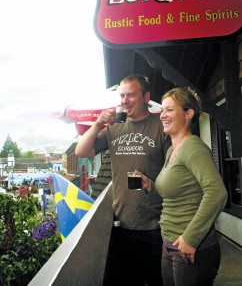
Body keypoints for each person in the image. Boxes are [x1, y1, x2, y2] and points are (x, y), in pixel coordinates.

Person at [75, 74, 168, 286]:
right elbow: (82, 151)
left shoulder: (161, 126)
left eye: (131, 95)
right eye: (122, 95)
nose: (125, 100)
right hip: (121, 225)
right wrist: (98, 124)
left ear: (146, 97)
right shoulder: (114, 128)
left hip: (156, 226)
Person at [143, 87, 227, 286]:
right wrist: (151, 185)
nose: (163, 115)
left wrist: (191, 238)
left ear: (188, 114)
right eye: (162, 110)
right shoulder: (172, 149)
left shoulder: (193, 147)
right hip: (170, 245)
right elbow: (177, 191)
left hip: (191, 249)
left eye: (170, 110)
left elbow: (217, 192)